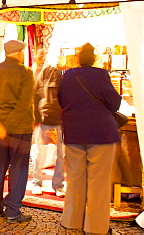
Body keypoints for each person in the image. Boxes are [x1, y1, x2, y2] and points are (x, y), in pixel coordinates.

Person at [58, 43, 120, 235]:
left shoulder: (67, 75)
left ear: (77, 58)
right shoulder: (101, 75)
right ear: (94, 58)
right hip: (101, 132)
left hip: (74, 131)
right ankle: (96, 227)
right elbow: (114, 102)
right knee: (98, 181)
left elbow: (61, 100)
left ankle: (71, 220)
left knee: (75, 178)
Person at [0, 38, 35, 224]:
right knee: (19, 170)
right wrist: (7, 125)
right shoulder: (25, 72)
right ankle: (12, 210)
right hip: (20, 128)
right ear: (19, 53)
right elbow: (24, 104)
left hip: (0, 129)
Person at [28, 64, 65, 197]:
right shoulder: (41, 73)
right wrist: (37, 118)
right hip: (45, 118)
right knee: (39, 153)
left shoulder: (63, 72)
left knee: (60, 155)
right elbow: (34, 95)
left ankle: (57, 185)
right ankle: (37, 183)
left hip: (58, 119)